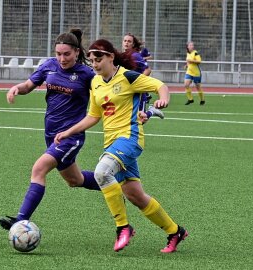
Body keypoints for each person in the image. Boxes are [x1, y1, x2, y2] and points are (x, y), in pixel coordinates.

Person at [54, 39, 188, 253]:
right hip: (112, 142)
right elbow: (93, 116)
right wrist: (69, 131)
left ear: (110, 57)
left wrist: (163, 100)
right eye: (92, 60)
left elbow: (160, 86)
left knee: (101, 172)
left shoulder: (127, 77)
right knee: (135, 195)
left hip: (130, 138)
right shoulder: (96, 83)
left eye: (99, 59)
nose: (95, 64)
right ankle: (175, 231)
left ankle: (123, 227)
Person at [0, 29, 101, 231]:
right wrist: (16, 88)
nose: (62, 59)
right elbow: (29, 85)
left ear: (77, 52)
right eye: (58, 54)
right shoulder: (49, 66)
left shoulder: (87, 74)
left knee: (39, 169)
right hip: (51, 134)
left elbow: (106, 92)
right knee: (75, 180)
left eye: (67, 54)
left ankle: (20, 221)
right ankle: (116, 185)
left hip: (71, 136)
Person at [122, 33, 163, 120]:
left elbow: (148, 70)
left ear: (133, 44)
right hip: (127, 91)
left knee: (141, 119)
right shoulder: (122, 56)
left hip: (138, 92)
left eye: (129, 41)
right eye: (125, 41)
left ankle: (152, 111)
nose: (126, 43)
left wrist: (138, 82)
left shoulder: (135, 56)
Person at [184, 41, 205, 105]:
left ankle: (202, 100)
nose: (192, 46)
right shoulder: (188, 53)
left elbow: (199, 61)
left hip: (196, 73)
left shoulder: (195, 53)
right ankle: (190, 99)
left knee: (197, 87)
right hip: (189, 72)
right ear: (187, 47)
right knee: (186, 85)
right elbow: (188, 61)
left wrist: (191, 61)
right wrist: (186, 65)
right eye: (190, 45)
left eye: (192, 45)